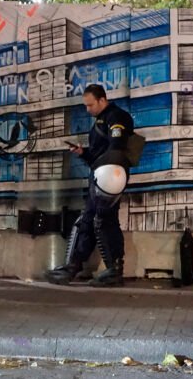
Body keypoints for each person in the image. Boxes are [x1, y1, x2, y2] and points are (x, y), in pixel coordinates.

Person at [46, 84, 135, 288]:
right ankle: (74, 265)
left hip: (109, 178)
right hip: (99, 176)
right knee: (88, 220)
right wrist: (83, 153)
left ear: (102, 100)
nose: (88, 110)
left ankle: (113, 270)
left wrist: (106, 172)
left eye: (90, 105)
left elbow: (116, 148)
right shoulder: (101, 121)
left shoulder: (116, 117)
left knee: (104, 221)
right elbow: (100, 154)